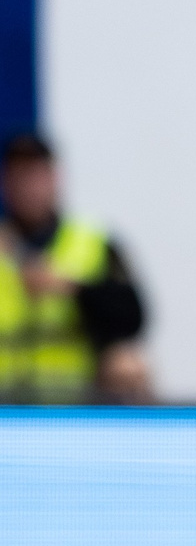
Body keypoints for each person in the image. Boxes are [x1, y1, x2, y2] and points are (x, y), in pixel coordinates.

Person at [0, 130, 147, 404]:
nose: (28, 187)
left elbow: (133, 317)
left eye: (36, 175)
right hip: (6, 402)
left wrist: (71, 287)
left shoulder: (92, 241)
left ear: (55, 179)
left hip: (75, 400)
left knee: (128, 361)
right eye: (19, 176)